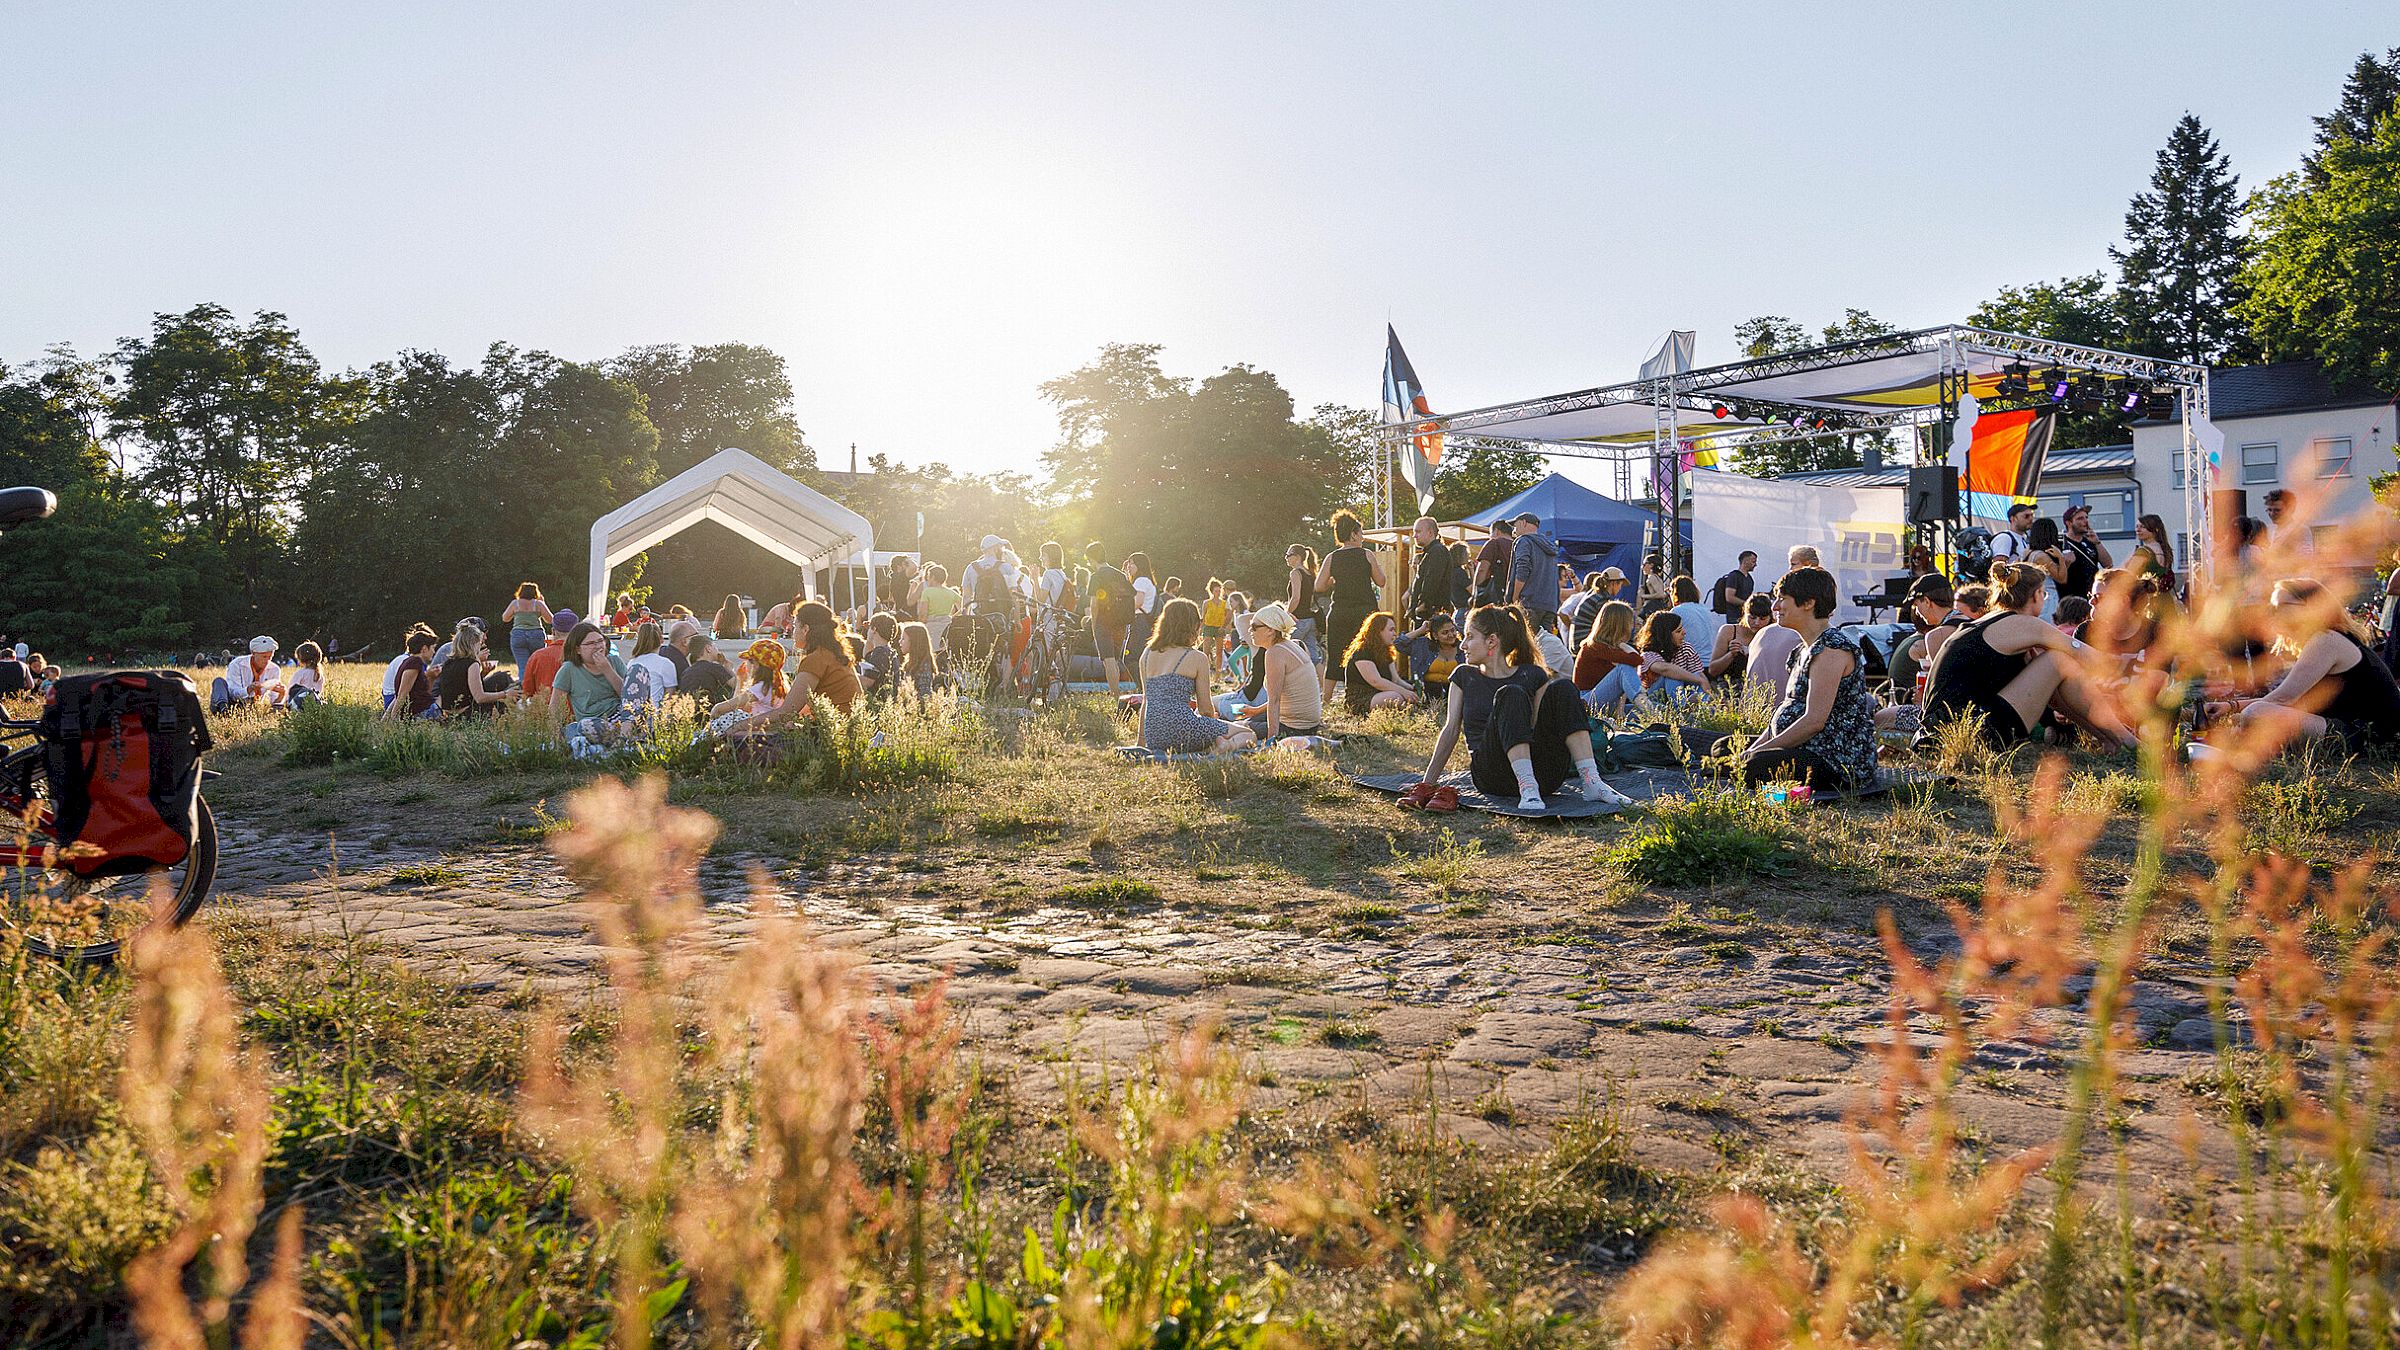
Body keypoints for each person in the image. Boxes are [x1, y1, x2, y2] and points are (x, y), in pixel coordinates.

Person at [1418, 605, 1627, 811]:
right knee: (1510, 693)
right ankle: (1527, 786)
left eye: (1469, 636)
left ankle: (1592, 782)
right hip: (1493, 775)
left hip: (1544, 777)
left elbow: (1540, 728)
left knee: (1564, 687)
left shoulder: (1532, 675)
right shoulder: (1465, 676)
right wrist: (1427, 783)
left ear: (1491, 641)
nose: (1462, 644)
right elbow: (1451, 729)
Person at [1916, 561, 2134, 751]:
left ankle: (2112, 739)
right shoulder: (2024, 624)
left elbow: (2055, 695)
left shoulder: (1990, 622)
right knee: (2059, 660)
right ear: (2036, 594)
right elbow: (2086, 655)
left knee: (2053, 666)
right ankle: (2126, 741)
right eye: (2044, 593)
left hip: (1938, 734)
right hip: (1971, 732)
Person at [2207, 578, 2400, 754]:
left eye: (2281, 606)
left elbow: (2282, 699)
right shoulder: (2326, 639)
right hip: (2356, 733)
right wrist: (2229, 707)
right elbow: (2286, 700)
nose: (2273, 614)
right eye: (2272, 607)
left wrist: (2234, 708)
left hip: (2368, 739)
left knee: (2256, 713)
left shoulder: (2326, 640)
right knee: (2256, 714)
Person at [1737, 567, 1881, 791]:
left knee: (1752, 765)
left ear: (1808, 603)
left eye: (1782, 599)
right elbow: (1785, 710)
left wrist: (1756, 755)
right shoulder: (1802, 649)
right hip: (1805, 746)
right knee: (1725, 748)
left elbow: (1814, 721)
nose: (1775, 607)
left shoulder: (1831, 649)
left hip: (1833, 757)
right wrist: (1754, 748)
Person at [1138, 598, 1256, 755]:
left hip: (1154, 736)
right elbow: (1205, 709)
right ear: (1192, 626)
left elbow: (1146, 700)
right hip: (1185, 728)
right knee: (1248, 734)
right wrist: (1212, 725)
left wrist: (1141, 742)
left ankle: (1215, 742)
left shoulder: (1146, 655)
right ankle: (1226, 746)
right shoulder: (1197, 657)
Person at [751, 601, 862, 728]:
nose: (792, 631)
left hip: (835, 732)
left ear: (805, 629)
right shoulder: (835, 654)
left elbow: (786, 712)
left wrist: (742, 725)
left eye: (795, 625)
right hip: (847, 727)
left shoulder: (815, 659)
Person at [1317, 510, 1386, 701]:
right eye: (1361, 533)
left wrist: (1333, 581)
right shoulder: (1367, 554)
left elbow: (1318, 586)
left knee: (1335, 655)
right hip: (1365, 612)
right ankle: (1375, 693)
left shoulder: (1332, 557)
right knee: (1370, 651)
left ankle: (1327, 699)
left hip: (1339, 611)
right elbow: (1381, 581)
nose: (1363, 537)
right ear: (1354, 534)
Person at [1233, 602, 1323, 741]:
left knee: (1235, 727)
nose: (1250, 631)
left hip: (1295, 728)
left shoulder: (1275, 653)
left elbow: (1275, 700)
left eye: (1254, 627)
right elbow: (1282, 697)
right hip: (1309, 724)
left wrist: (1272, 739)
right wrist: (1254, 711)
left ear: (1270, 630)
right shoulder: (1293, 644)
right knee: (1242, 721)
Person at [1887, 574, 1957, 700]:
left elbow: (1939, 688)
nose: (1917, 613)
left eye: (1916, 606)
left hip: (1955, 709)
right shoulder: (1969, 621)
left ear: (1927, 601)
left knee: (1882, 716)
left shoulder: (1935, 636)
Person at [1573, 600, 1643, 718]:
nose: (1632, 627)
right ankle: (1644, 702)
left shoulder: (1608, 648)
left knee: (1655, 709)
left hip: (1604, 702)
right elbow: (1636, 660)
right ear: (1621, 625)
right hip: (1585, 702)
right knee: (1623, 668)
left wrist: (1620, 711)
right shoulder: (1596, 647)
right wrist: (1623, 645)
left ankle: (1656, 709)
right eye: (1630, 623)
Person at [707, 638, 788, 739]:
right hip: (768, 726)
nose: (746, 664)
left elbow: (730, 706)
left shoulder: (761, 687)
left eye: (749, 661)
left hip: (761, 728)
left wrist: (714, 712)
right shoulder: (777, 685)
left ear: (757, 665)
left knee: (728, 718)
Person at [1341, 611, 1420, 714]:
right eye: (1391, 630)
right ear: (1378, 631)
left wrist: (1412, 689)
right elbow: (1376, 681)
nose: (1395, 634)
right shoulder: (1362, 652)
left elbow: (1396, 680)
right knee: (1396, 698)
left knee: (1403, 696)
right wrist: (1403, 692)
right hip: (1361, 698)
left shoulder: (1386, 652)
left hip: (1381, 694)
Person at [439, 621, 519, 717]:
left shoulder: (448, 663)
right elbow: (479, 697)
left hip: (450, 714)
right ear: (473, 644)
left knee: (500, 678)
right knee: (501, 690)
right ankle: (511, 718)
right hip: (466, 714)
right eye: (479, 643)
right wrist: (505, 694)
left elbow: (463, 686)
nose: (480, 646)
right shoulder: (472, 663)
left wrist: (483, 673)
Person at [1084, 545, 1135, 696]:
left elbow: (1094, 604)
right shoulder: (1119, 574)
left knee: (1109, 661)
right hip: (1121, 621)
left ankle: (1115, 695)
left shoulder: (1096, 576)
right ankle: (1120, 692)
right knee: (1116, 660)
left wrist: (1093, 624)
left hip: (1103, 622)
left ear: (1091, 558)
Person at [1506, 512, 1563, 636]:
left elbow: (1522, 570)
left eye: (1515, 526)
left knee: (1527, 645)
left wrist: (1515, 598)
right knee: (1544, 646)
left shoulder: (1523, 541)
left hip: (1529, 602)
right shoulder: (1550, 546)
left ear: (1523, 522)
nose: (1514, 530)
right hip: (1549, 604)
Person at [1636, 610, 1710, 702]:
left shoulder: (1685, 648)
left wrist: (1711, 696)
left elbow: (1700, 676)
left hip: (1683, 692)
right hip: (1656, 698)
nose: (1684, 632)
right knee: (1672, 675)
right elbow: (1665, 669)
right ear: (1665, 635)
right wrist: (1699, 680)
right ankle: (1681, 709)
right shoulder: (1647, 654)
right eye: (1678, 631)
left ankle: (1704, 706)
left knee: (1695, 677)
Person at [1746, 593, 1806, 705]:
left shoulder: (1764, 633)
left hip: (1755, 712)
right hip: (1782, 713)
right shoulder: (1801, 636)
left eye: (1782, 599)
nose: (1775, 606)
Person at [1407, 516, 1465, 629]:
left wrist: (1423, 605)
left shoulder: (1437, 551)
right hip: (1428, 613)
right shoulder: (1430, 552)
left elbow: (1432, 580)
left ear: (1430, 532)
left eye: (1418, 531)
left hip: (1431, 614)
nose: (1415, 535)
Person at [1708, 593, 1775, 688]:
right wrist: (1731, 655)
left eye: (1762, 619)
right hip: (1729, 688)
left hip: (1758, 688)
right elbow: (1713, 670)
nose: (1757, 622)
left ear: (1770, 619)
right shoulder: (1729, 631)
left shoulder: (1772, 635)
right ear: (1745, 614)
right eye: (1752, 617)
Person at [1401, 612, 1466, 703]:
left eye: (1452, 630)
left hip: (1454, 697)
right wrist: (1421, 630)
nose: (1451, 635)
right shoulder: (1424, 646)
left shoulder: (1463, 648)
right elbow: (1399, 643)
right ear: (1435, 635)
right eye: (1445, 632)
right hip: (1427, 695)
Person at [213, 636, 285, 713]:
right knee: (219, 681)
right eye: (264, 657)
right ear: (253, 653)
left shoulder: (274, 669)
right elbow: (233, 692)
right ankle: (223, 710)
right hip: (231, 702)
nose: (267, 661)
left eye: (270, 657)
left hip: (253, 706)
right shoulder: (237, 664)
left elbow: (274, 703)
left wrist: (281, 695)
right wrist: (249, 689)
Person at [622, 621, 678, 712]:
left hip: (635, 712)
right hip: (655, 713)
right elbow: (670, 695)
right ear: (661, 640)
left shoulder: (632, 662)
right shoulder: (665, 663)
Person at [2059, 505, 2111, 602]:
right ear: (2069, 523)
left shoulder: (2090, 542)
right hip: (2072, 597)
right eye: (2080, 518)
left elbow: (2108, 564)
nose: (2085, 521)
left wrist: (2097, 542)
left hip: (2091, 596)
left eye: (2086, 517)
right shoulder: (2062, 544)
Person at [501, 583, 555, 675]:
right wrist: (543, 603)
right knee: (537, 665)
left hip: (518, 635)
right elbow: (550, 620)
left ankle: (525, 687)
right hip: (536, 635)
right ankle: (538, 687)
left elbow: (505, 618)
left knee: (523, 667)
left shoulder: (515, 603)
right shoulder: (538, 604)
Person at [386, 630, 440, 720]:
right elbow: (402, 694)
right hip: (422, 712)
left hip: (418, 711)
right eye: (433, 648)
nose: (434, 652)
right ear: (424, 648)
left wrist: (432, 678)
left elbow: (423, 694)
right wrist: (393, 719)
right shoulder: (415, 663)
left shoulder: (408, 661)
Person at [1283, 544, 1322, 664]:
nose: (1286, 558)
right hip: (1310, 619)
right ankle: (1318, 683)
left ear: (1297, 557)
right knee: (1314, 658)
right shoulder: (1310, 573)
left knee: (1288, 652)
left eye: (1288, 555)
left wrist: (1286, 613)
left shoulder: (1295, 573)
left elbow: (1296, 598)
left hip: (1298, 620)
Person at [1669, 575, 1721, 659]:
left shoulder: (1676, 611)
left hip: (1691, 662)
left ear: (1675, 593)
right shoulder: (1705, 610)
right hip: (1711, 660)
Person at [2023, 518, 2068, 613]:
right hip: (2047, 597)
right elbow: (2061, 578)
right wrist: (2061, 558)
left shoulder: (2027, 552)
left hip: (2033, 596)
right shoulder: (2042, 557)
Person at [680, 634, 736, 708]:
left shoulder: (686, 671)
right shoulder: (715, 668)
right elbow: (737, 685)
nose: (717, 650)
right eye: (714, 647)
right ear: (708, 648)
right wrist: (729, 669)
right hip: (710, 711)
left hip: (689, 712)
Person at [918, 563, 963, 651]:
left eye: (929, 576)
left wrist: (921, 625)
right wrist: (953, 617)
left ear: (933, 577)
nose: (927, 579)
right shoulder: (951, 592)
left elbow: (923, 614)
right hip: (947, 626)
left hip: (931, 625)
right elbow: (964, 606)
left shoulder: (927, 592)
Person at [1472, 520, 1515, 607]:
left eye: (1490, 534)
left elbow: (1482, 569)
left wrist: (1475, 594)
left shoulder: (1494, 543)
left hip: (1494, 600)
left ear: (1496, 531)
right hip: (1514, 597)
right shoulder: (1518, 545)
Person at [858, 612, 900, 696]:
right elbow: (866, 656)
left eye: (870, 628)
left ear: (874, 629)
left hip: (880, 702)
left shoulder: (880, 652)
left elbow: (868, 681)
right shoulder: (888, 651)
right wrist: (869, 639)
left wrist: (848, 676)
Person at [1125, 551, 1159, 652]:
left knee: (1132, 657)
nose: (1129, 566)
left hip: (1139, 622)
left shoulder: (1141, 580)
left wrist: (1122, 613)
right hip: (1144, 621)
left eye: (1131, 563)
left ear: (1139, 565)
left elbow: (1137, 602)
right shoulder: (1145, 580)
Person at [1713, 551, 1759, 626]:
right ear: (1745, 561)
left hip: (1745, 616)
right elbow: (1729, 597)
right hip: (1734, 617)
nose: (1755, 565)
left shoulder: (1750, 579)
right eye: (1753, 561)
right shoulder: (1734, 576)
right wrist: (1747, 604)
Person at [2129, 514, 2176, 585]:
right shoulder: (2165, 549)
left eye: (2143, 527)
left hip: (2148, 594)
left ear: (2154, 530)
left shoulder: (2144, 551)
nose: (2138, 530)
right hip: (2166, 595)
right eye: (2137, 526)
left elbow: (2129, 574)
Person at [900, 621, 943, 698]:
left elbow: (924, 695)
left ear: (913, 642)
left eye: (903, 639)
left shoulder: (923, 667)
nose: (900, 642)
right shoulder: (911, 663)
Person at [1200, 578, 1231, 671]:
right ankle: (1205, 671)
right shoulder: (1206, 603)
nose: (1218, 592)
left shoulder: (1224, 604)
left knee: (1219, 652)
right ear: (1212, 591)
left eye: (1219, 590)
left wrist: (1225, 628)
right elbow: (1203, 617)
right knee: (1206, 652)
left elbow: (1227, 617)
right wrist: (1200, 630)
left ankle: (1218, 674)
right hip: (1208, 627)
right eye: (1216, 591)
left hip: (1219, 628)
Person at [286, 641, 326, 709]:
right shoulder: (319, 674)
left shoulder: (301, 673)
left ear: (300, 658)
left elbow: (291, 690)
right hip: (315, 705)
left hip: (299, 704)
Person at [1037, 542, 1071, 611]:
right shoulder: (1061, 574)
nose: (1040, 558)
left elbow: (1040, 601)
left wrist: (1034, 579)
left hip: (1048, 618)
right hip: (1058, 617)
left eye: (1043, 555)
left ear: (1051, 557)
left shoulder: (1048, 573)